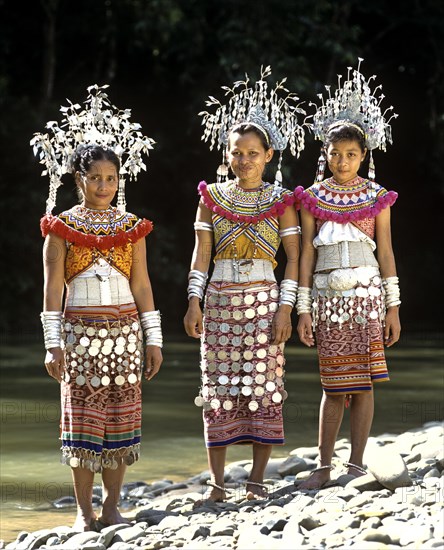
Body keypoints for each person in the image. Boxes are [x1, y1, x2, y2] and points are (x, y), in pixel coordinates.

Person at [31, 86, 163, 530]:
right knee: (83, 422)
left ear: (119, 180)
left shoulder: (133, 227)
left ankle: (112, 506)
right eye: (95, 178)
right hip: (79, 337)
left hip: (126, 334)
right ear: (78, 179)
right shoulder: (61, 228)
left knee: (121, 420)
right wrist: (53, 346)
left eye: (111, 178)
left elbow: (142, 285)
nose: (104, 186)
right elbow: (52, 290)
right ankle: (84, 511)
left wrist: (154, 340)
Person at [184, 67, 307, 501]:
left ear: (268, 155)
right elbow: (201, 254)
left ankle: (256, 481)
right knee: (216, 388)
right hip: (217, 300)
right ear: (227, 154)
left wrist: (286, 309)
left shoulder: (282, 201)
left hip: (263, 301)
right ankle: (217, 485)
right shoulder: (211, 197)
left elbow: (293, 259)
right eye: (237, 153)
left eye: (252, 153)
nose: (244, 160)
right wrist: (193, 301)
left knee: (264, 385)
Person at [296, 61, 401, 489]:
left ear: (364, 156)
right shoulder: (311, 197)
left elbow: (388, 251)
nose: (342, 161)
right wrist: (302, 309)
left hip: (367, 298)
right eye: (335, 154)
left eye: (351, 154)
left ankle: (356, 463)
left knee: (365, 384)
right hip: (327, 301)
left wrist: (394, 306)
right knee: (334, 384)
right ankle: (324, 465)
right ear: (324, 154)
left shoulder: (378, 198)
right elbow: (304, 253)